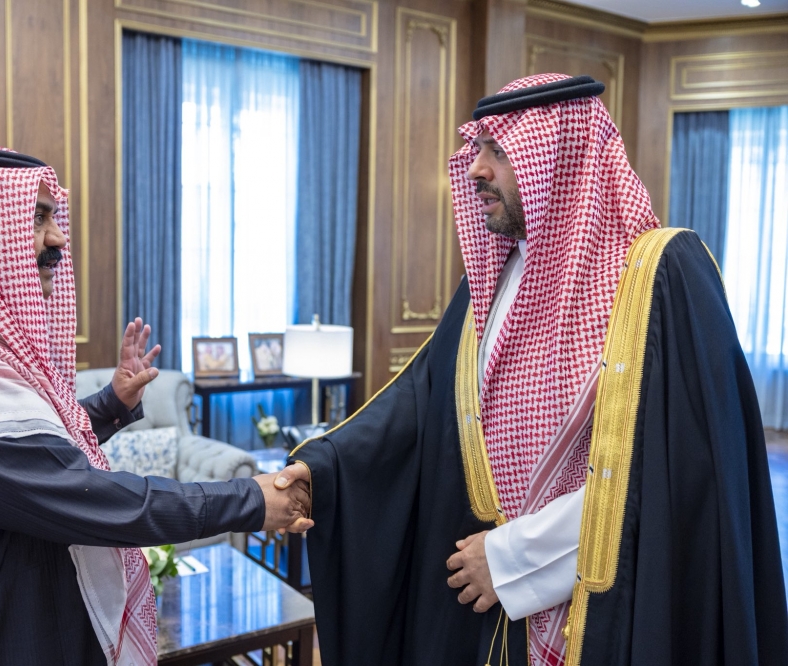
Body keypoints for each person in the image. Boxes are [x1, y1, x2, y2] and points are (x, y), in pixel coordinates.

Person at [275, 75, 788, 665]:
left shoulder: (661, 277)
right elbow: (420, 404)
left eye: (497, 150)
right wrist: (320, 468)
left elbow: (674, 474)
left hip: (610, 616)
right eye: (477, 148)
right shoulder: (488, 284)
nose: (475, 169)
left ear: (560, 157)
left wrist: (513, 557)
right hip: (485, 612)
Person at [0, 145, 312, 666]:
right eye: (38, 218)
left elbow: (22, 452)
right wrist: (251, 500)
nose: (59, 238)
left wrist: (110, 404)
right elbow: (77, 493)